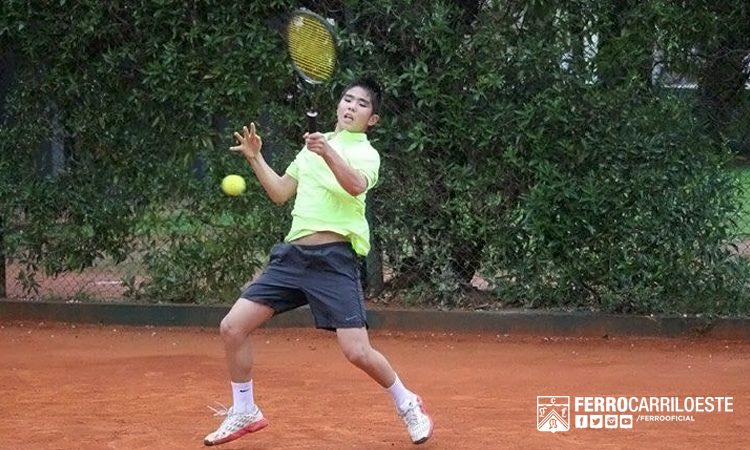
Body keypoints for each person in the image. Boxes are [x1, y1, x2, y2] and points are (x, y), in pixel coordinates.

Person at [203, 78, 434, 446]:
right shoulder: (311, 148)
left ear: (372, 119)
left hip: (334, 260)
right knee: (232, 327)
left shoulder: (364, 153)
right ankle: (245, 410)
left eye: (361, 104)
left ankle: (407, 402)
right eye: (347, 99)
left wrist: (326, 151)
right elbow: (280, 193)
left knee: (356, 351)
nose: (351, 106)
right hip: (293, 257)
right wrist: (255, 157)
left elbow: (356, 185)